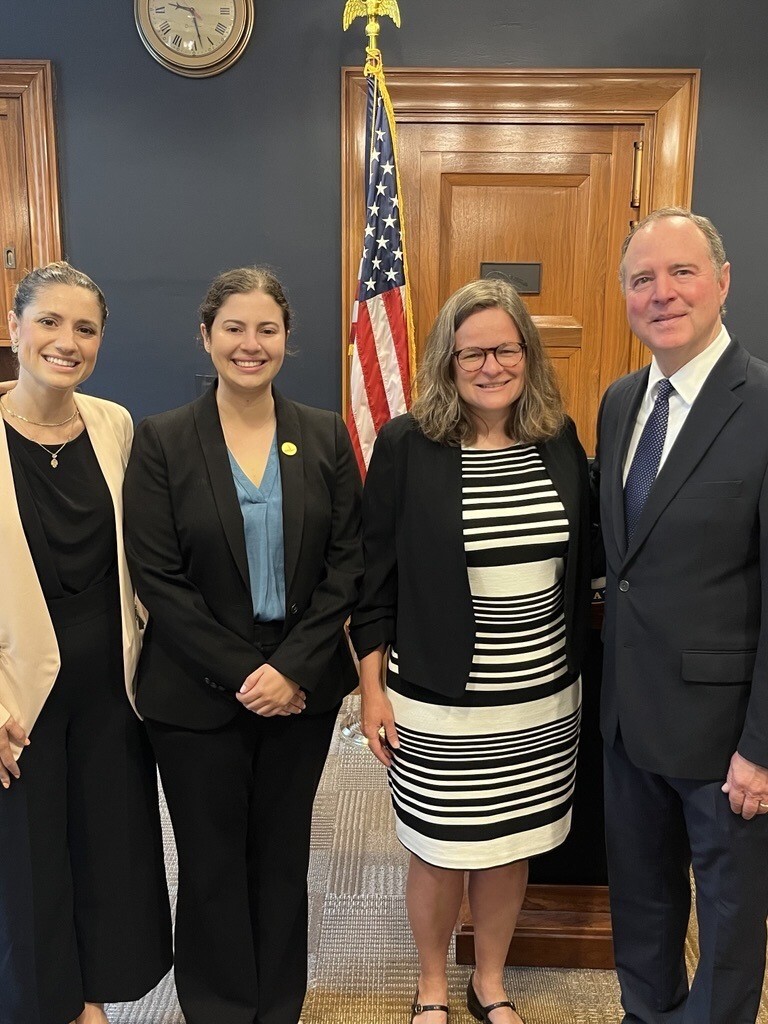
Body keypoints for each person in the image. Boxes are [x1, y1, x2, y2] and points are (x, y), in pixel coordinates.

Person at [123, 266, 362, 1024]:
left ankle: (277, 1006)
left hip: (301, 690)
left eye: (266, 329)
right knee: (213, 864)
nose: (249, 344)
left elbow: (348, 563)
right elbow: (157, 576)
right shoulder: (161, 441)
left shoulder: (325, 435)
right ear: (206, 335)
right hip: (194, 692)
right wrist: (243, 672)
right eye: (234, 328)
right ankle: (222, 1009)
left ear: (288, 340)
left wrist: (289, 669)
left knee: (283, 859)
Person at [351, 278, 591, 1024]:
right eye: (471, 354)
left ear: (528, 352)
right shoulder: (408, 444)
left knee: (513, 843)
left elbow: (585, 556)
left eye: (505, 348)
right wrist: (371, 690)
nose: (490, 365)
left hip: (540, 695)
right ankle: (431, 985)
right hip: (438, 696)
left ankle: (490, 981)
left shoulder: (559, 436)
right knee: (440, 846)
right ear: (447, 363)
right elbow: (373, 578)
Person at [594, 208, 768, 1023]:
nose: (662, 293)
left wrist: (762, 750)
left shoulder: (763, 403)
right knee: (642, 902)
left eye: (682, 273)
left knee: (729, 923)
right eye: (642, 279)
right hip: (630, 723)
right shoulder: (621, 401)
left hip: (725, 736)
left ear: (723, 283)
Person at [0, 262, 172, 1024]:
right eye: (48, 322)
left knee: (105, 848)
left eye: (85, 329)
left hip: (109, 684)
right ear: (14, 328)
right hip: (17, 694)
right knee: (29, 867)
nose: (65, 342)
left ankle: (92, 1000)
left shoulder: (113, 424)